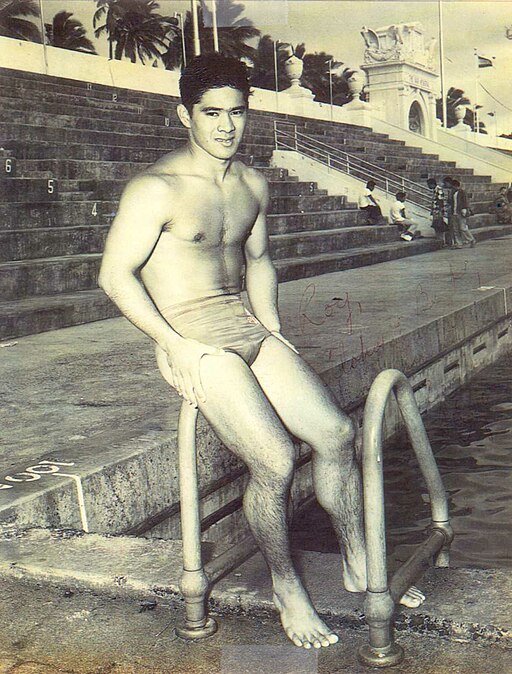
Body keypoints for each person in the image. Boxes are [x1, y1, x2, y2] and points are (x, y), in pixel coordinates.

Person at [98, 54, 425, 650]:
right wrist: (172, 345)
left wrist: (271, 326)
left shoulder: (252, 184)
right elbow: (116, 276)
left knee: (335, 435)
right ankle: (285, 587)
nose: (225, 125)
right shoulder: (156, 188)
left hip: (244, 326)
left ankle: (357, 562)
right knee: (274, 459)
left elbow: (258, 260)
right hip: (193, 337)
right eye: (211, 113)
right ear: (184, 115)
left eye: (236, 113)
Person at [450, 179, 476, 248]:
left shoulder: (462, 192)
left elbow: (466, 202)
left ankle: (471, 239)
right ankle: (459, 243)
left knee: (462, 228)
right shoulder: (452, 193)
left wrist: (465, 210)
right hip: (454, 212)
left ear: (455, 185)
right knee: (456, 229)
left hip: (460, 212)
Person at [426, 178, 448, 246]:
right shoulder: (435, 190)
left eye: (429, 185)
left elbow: (440, 201)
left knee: (439, 226)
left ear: (432, 184)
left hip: (438, 211)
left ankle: (442, 241)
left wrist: (440, 212)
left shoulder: (438, 190)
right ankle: (440, 240)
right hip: (436, 211)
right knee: (437, 226)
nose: (428, 186)